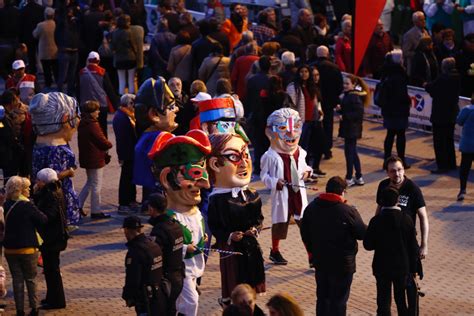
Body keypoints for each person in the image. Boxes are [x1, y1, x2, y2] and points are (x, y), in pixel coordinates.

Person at [148, 129, 211, 316]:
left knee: (186, 302)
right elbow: (161, 249)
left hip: (193, 269)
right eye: (193, 174)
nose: (205, 184)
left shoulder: (196, 213)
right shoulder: (169, 221)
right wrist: (185, 249)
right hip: (178, 272)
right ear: (167, 179)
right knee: (190, 303)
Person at [207, 133, 265, 306]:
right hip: (231, 248)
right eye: (234, 157)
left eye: (246, 155)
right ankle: (231, 300)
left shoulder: (252, 195)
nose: (243, 162)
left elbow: (259, 218)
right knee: (233, 274)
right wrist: (230, 236)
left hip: (250, 245)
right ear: (215, 164)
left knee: (252, 272)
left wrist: (255, 229)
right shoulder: (217, 200)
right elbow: (214, 225)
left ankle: (250, 298)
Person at [300, 176, 366, 316]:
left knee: (323, 299)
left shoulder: (311, 208)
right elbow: (362, 234)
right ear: (342, 192)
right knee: (339, 302)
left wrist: (312, 252)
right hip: (343, 265)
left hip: (321, 262)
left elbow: (304, 233)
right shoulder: (348, 211)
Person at [376, 155, 429, 315]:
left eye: (399, 170)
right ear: (387, 172)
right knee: (392, 288)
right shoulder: (383, 186)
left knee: (409, 285)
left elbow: (423, 217)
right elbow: (378, 210)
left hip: (407, 245)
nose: (397, 174)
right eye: (393, 171)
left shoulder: (412, 188)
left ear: (404, 170)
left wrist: (424, 245)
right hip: (388, 245)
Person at [261, 109, 312, 265]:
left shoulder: (300, 152)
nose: (291, 134)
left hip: (298, 193)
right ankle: (275, 251)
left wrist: (307, 173)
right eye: (283, 129)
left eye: (296, 128)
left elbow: (305, 167)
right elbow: (264, 176)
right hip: (282, 194)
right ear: (270, 132)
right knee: (279, 224)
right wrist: (275, 182)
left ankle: (312, 256)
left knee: (305, 225)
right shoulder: (269, 156)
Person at [29, 92, 81, 229]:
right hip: (57, 195)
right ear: (66, 118)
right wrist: (68, 172)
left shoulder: (39, 144)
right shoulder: (56, 149)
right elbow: (52, 176)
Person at [364, 187, 418, 316]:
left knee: (383, 301)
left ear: (381, 202)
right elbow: (413, 247)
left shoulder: (376, 221)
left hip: (381, 266)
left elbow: (368, 245)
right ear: (398, 200)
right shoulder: (406, 219)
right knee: (401, 300)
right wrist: (414, 268)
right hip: (401, 267)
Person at [3, 176, 48, 316]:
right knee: (31, 279)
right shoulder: (28, 206)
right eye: (26, 188)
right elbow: (43, 220)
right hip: (28, 248)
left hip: (10, 249)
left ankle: (20, 310)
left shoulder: (6, 205)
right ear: (20, 190)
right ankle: (34, 308)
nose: (29, 190)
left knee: (17, 280)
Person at [33, 168, 68, 310]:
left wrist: (34, 212)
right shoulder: (53, 190)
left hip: (53, 239)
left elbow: (48, 216)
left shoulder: (51, 195)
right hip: (54, 237)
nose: (36, 182)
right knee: (49, 270)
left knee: (52, 270)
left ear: (44, 182)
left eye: (38, 180)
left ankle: (57, 301)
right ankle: (51, 297)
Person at [122, 216, 167, 315]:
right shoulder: (154, 245)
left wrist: (128, 296)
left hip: (145, 299)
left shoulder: (135, 252)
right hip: (160, 294)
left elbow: (133, 279)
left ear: (126, 230)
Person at [147, 193, 184, 316]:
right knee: (171, 310)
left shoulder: (159, 230)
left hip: (165, 280)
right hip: (178, 277)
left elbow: (155, 256)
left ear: (152, 209)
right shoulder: (176, 225)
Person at [77, 100, 113, 219]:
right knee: (96, 185)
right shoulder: (93, 124)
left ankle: (77, 206)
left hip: (87, 157)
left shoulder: (83, 123)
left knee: (90, 183)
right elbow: (102, 141)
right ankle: (96, 211)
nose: (98, 112)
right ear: (91, 112)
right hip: (95, 158)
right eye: (96, 110)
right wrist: (109, 144)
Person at [378, 49, 412, 169]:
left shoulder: (386, 72)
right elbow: (401, 94)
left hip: (388, 109)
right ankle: (401, 159)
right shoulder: (400, 74)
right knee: (400, 135)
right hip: (399, 109)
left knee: (390, 134)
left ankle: (386, 160)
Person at [425, 57, 460, 173]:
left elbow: (432, 89)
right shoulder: (457, 78)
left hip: (440, 114)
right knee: (449, 139)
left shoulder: (442, 79)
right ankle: (451, 163)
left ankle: (442, 166)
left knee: (439, 141)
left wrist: (426, 85)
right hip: (451, 113)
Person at [337, 75, 369, 187]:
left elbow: (358, 113)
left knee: (349, 153)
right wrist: (341, 110)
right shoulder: (349, 95)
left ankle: (349, 177)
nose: (345, 86)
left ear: (353, 85)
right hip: (351, 128)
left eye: (347, 84)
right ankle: (359, 176)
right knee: (353, 152)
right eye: (344, 83)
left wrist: (344, 116)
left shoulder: (353, 97)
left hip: (351, 129)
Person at [79, 51, 119, 138]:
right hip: (101, 105)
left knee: (88, 129)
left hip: (85, 106)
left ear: (88, 60)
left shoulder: (81, 73)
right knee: (102, 129)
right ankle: (104, 149)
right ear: (98, 61)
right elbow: (109, 90)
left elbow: (78, 90)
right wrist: (116, 106)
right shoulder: (102, 72)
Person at [315, 45, 343, 160]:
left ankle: (317, 149)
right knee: (328, 125)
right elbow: (339, 86)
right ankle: (327, 149)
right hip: (329, 102)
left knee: (317, 126)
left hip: (317, 102)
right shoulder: (334, 68)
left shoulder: (313, 67)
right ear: (327, 54)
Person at [113, 94, 138, 214]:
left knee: (130, 177)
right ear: (129, 104)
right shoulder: (122, 117)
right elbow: (124, 139)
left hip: (129, 152)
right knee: (126, 178)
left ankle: (131, 200)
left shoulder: (125, 115)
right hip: (127, 153)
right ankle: (124, 203)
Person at [111, 14, 137, 94]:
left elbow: (112, 47)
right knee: (131, 80)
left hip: (119, 59)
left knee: (121, 80)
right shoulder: (129, 32)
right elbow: (134, 46)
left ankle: (122, 98)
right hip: (130, 58)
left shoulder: (114, 33)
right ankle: (132, 97)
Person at [32, 7, 58, 89]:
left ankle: (48, 83)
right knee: (55, 67)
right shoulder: (56, 24)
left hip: (44, 50)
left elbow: (34, 35)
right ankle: (57, 81)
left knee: (46, 68)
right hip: (55, 50)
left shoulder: (41, 25)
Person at [456, 96, 474, 201]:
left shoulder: (467, 109)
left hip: (468, 145)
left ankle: (462, 190)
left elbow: (459, 121)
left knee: (464, 169)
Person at [401, 11, 429, 76]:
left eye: (424, 19)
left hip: (424, 65)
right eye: (421, 20)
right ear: (415, 22)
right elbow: (405, 52)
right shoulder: (409, 35)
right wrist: (417, 55)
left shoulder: (425, 32)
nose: (424, 21)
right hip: (414, 66)